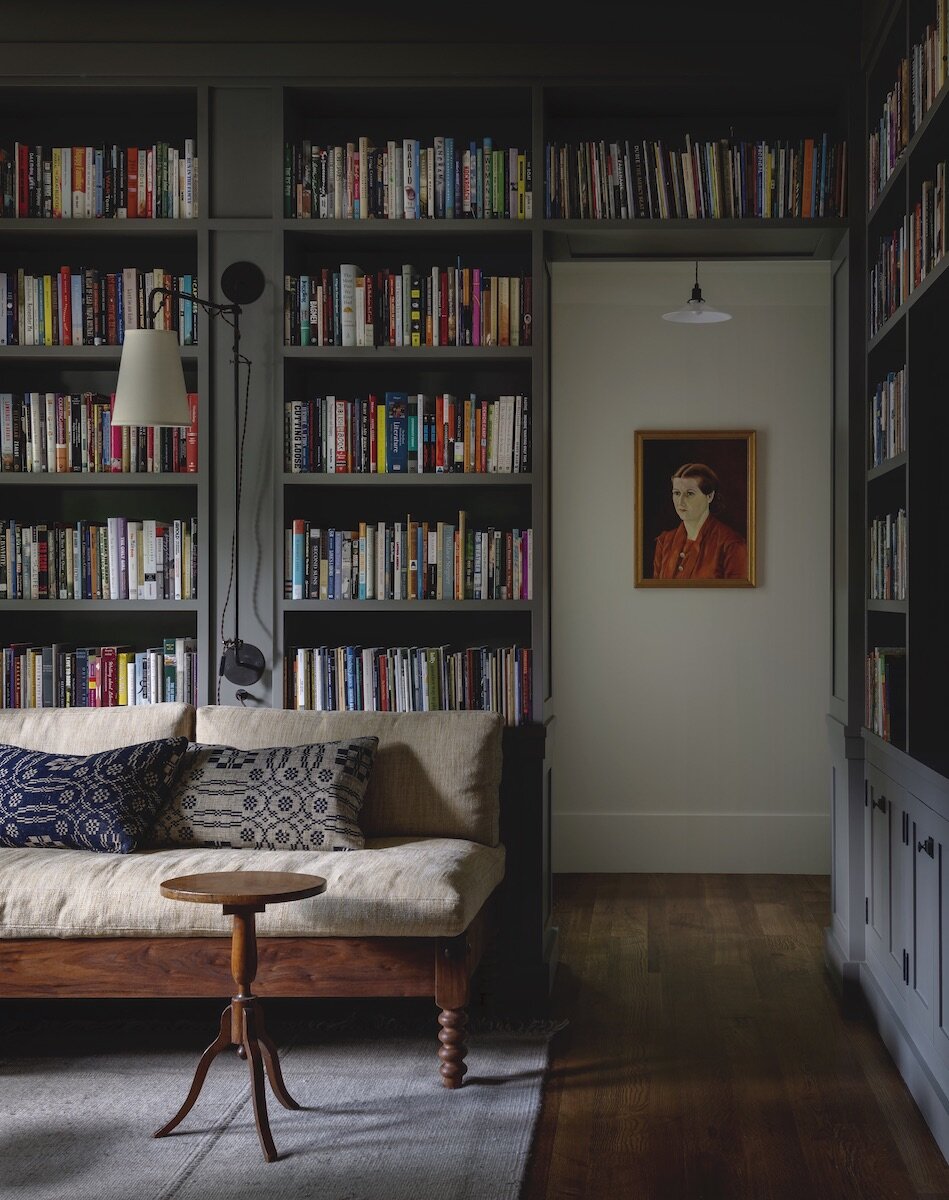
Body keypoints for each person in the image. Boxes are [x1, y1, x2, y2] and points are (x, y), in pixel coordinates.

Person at [652, 462, 747, 580]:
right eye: (677, 493)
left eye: (689, 494)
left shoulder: (731, 545)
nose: (680, 502)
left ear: (710, 496)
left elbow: (739, 595)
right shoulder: (664, 541)